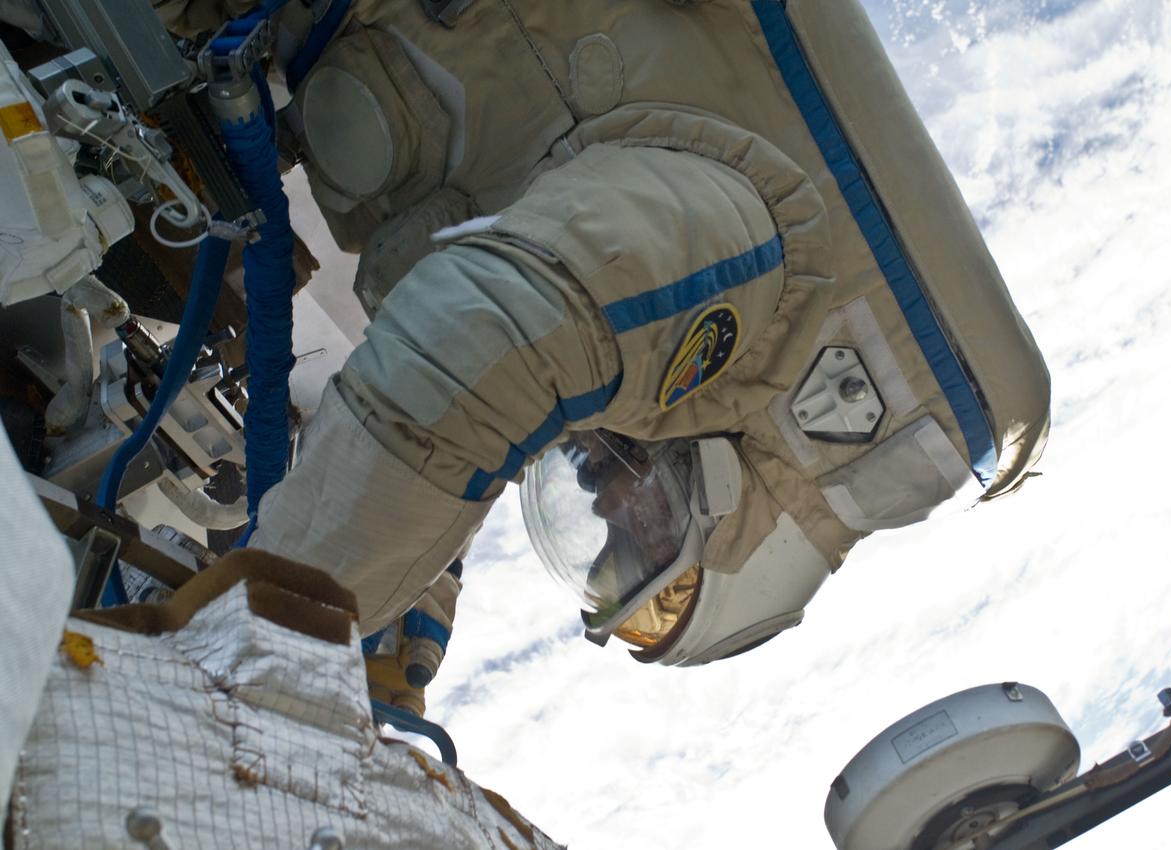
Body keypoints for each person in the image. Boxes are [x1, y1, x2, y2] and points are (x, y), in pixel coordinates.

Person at [157, 0, 1051, 705]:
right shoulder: (750, 268)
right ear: (728, 509)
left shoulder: (655, 360)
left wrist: (405, 635)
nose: (599, 500)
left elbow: (436, 455)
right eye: (632, 544)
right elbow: (475, 360)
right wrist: (258, 644)